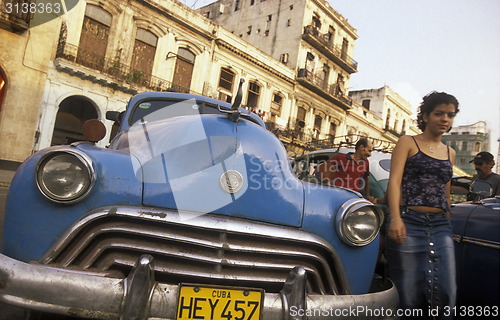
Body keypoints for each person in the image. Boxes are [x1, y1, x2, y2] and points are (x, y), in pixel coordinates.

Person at [385, 91, 459, 319]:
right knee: (409, 290)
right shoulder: (408, 142)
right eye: (439, 114)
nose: (445, 119)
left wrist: (447, 218)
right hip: (409, 221)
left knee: (446, 288)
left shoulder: (451, 153)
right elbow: (395, 181)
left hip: (439, 225)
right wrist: (395, 218)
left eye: (450, 115)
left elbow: (445, 188)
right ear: (425, 116)